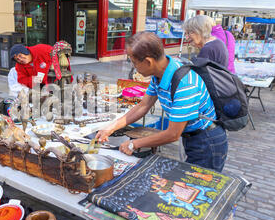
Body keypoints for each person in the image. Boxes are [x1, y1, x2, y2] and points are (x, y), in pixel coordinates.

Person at [96, 32, 228, 172]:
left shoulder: (186, 84)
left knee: (199, 186)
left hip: (207, 142)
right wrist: (111, 128)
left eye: (134, 63)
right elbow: (143, 106)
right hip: (191, 137)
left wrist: (134, 144)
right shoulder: (159, 74)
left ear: (148, 62)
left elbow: (172, 134)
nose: (134, 67)